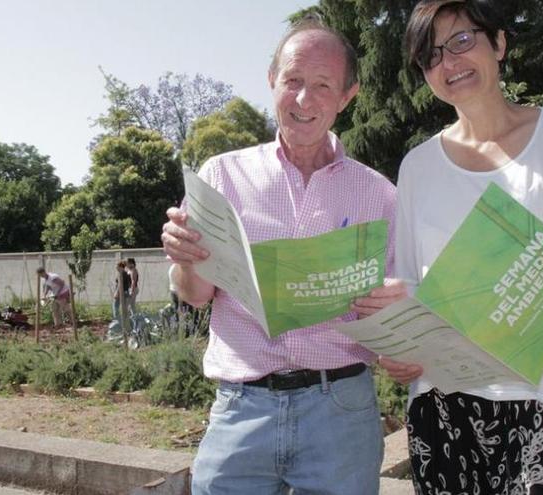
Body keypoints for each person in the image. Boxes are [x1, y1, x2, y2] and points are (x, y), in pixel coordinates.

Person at [353, 2, 543, 494]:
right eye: (431, 55)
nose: (450, 63)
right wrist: (400, 353)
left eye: (462, 41)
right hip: (444, 408)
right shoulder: (418, 167)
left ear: (499, 44)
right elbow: (416, 292)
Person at [161, 17, 399, 495]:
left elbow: (395, 312)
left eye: (322, 85)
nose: (304, 100)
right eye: (292, 81)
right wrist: (186, 259)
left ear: (347, 96)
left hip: (342, 411)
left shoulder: (380, 195)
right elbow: (195, 296)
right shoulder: (222, 176)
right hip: (242, 407)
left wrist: (393, 307)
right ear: (272, 81)